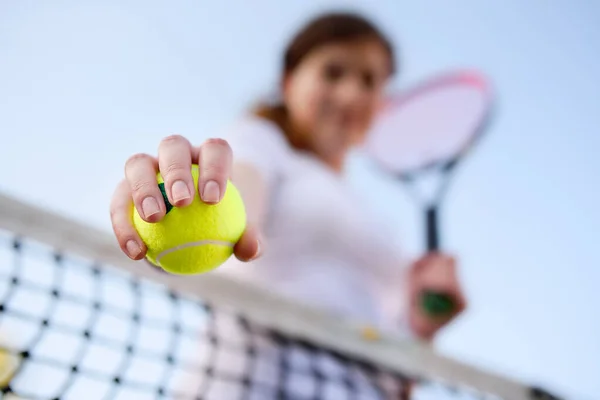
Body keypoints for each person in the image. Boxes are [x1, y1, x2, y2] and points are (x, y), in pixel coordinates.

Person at [109, 11, 466, 397]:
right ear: (289, 82)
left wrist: (422, 324)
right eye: (333, 72)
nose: (350, 93)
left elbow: (397, 380)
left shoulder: (377, 222)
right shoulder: (260, 141)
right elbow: (238, 195)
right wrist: (174, 202)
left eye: (369, 80)